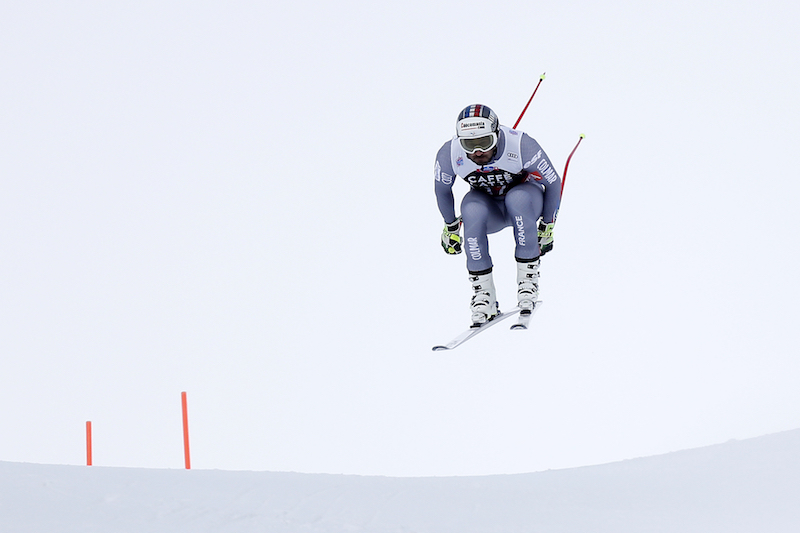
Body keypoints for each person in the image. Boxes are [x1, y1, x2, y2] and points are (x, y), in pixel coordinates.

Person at [434, 104, 562, 326]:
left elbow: (553, 182)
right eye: (469, 145)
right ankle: (484, 297)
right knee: (471, 209)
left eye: (484, 143)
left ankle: (527, 283)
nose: (477, 152)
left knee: (517, 199)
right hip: (489, 209)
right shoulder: (450, 153)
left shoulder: (521, 145)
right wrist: (451, 227)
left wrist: (547, 225)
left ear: (496, 134)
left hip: (525, 203)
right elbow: (442, 189)